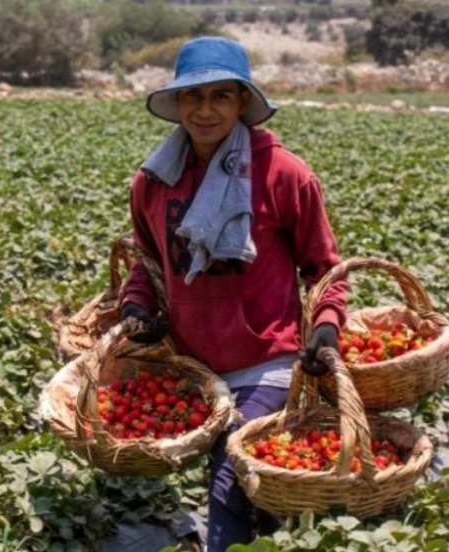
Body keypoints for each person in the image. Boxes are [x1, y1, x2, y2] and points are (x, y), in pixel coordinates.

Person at [117, 36, 348, 550]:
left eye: (221, 96)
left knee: (226, 484)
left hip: (265, 359)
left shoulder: (282, 174)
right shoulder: (153, 181)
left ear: (243, 102)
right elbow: (148, 263)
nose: (205, 111)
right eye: (193, 97)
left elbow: (324, 268)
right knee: (252, 491)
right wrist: (137, 308)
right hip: (192, 367)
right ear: (177, 104)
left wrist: (328, 326)